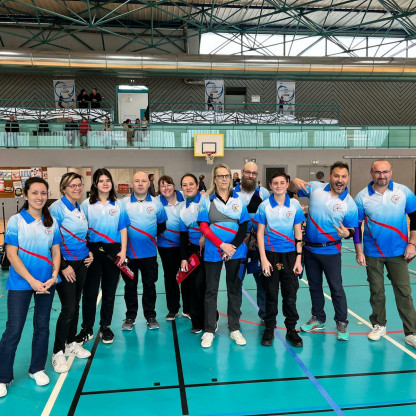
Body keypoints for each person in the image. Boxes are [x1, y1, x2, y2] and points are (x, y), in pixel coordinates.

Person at [0, 178, 61, 398]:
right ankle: (3, 377)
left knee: (42, 326)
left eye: (43, 193)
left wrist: (53, 276)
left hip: (46, 282)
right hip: (21, 284)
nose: (39, 197)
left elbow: (56, 251)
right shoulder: (16, 221)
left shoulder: (51, 222)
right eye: (34, 193)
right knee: (14, 329)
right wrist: (31, 281)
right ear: (25, 195)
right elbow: (11, 254)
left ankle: (37, 368)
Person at [289, 161, 358, 341]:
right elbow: (291, 189)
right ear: (330, 176)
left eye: (343, 176)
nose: (340, 180)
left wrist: (347, 233)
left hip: (331, 251)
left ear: (348, 178)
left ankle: (341, 322)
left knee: (336, 288)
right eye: (336, 176)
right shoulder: (316, 188)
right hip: (310, 250)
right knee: (314, 286)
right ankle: (318, 318)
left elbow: (352, 230)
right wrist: (294, 181)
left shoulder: (350, 204)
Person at [354, 160, 416, 348]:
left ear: (391, 172)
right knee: (377, 291)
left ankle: (411, 332)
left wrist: (412, 243)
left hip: (398, 251)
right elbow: (356, 226)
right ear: (371, 173)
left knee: (404, 292)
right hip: (373, 252)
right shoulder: (362, 196)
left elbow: (415, 218)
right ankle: (379, 325)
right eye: (378, 172)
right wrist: (359, 251)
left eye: (385, 172)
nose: (382, 176)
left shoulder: (404, 192)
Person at [197, 163, 250, 348]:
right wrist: (221, 245)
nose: (224, 179)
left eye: (227, 175)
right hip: (214, 250)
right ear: (215, 178)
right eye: (220, 176)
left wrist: (232, 247)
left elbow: (244, 225)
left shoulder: (238, 199)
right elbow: (203, 226)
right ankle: (209, 329)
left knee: (234, 289)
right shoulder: (206, 199)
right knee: (211, 290)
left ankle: (234, 328)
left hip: (236, 251)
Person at [75, 169, 129, 345]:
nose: (105, 184)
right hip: (92, 251)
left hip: (113, 251)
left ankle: (105, 326)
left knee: (109, 291)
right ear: (95, 184)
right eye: (101, 181)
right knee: (89, 292)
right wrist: (85, 251)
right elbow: (81, 230)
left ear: (111, 183)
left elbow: (123, 228)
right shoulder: (86, 205)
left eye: (108, 180)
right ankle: (86, 328)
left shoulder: (118, 204)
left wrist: (123, 251)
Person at [49, 173, 94, 373]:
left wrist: (89, 252)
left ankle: (70, 343)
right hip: (65, 264)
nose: (77, 188)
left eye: (79, 185)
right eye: (72, 185)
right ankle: (57, 352)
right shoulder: (56, 209)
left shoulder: (79, 207)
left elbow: (83, 235)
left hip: (81, 262)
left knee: (75, 304)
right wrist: (63, 265)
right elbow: (51, 240)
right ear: (63, 188)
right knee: (68, 308)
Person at [255, 171, 305, 347]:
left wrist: (298, 259)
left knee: (290, 294)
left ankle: (291, 329)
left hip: (290, 255)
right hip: (271, 254)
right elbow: (259, 233)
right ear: (270, 185)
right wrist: (263, 258)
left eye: (282, 182)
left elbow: (298, 232)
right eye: (275, 183)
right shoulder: (264, 206)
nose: (278, 186)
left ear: (287, 184)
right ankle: (269, 328)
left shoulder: (295, 205)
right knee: (271, 293)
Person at [120, 171, 167, 331]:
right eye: (137, 181)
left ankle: (150, 316)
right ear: (132, 183)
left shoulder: (156, 203)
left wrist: (148, 237)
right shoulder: (123, 203)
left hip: (149, 254)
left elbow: (162, 225)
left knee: (149, 286)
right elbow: (119, 226)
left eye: (143, 181)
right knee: (130, 287)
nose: (140, 184)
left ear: (148, 184)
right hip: (129, 255)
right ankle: (130, 317)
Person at [234, 161, 269, 321]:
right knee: (236, 281)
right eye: (248, 172)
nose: (250, 176)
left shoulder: (264, 193)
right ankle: (235, 316)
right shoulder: (232, 193)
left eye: (254, 173)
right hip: (238, 244)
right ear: (242, 172)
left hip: (258, 245)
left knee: (262, 281)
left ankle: (265, 315)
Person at [157, 175, 191, 321]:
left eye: (169, 184)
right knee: (170, 277)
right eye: (162, 186)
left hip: (185, 244)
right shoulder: (156, 202)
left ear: (174, 185)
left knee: (187, 276)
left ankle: (188, 309)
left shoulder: (185, 196)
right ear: (159, 189)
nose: (166, 188)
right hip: (166, 246)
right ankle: (173, 309)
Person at [179, 173, 207, 334]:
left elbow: (215, 222)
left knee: (203, 286)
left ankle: (211, 318)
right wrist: (184, 257)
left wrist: (205, 234)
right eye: (185, 185)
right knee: (193, 286)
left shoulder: (206, 201)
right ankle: (197, 322)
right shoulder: (183, 210)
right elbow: (183, 236)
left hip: (209, 250)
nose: (188, 187)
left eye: (191, 184)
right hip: (192, 251)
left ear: (197, 185)